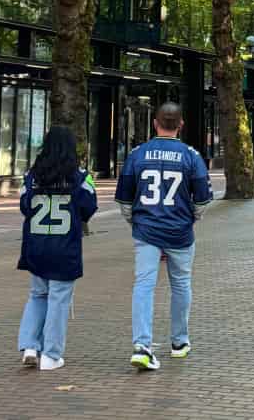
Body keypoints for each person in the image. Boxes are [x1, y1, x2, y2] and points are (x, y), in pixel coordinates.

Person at [116, 102, 213, 371]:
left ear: (155, 123)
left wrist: (136, 223)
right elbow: (203, 200)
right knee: (181, 284)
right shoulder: (191, 156)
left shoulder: (137, 154)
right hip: (180, 231)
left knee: (144, 284)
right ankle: (179, 342)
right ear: (181, 125)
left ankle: (141, 344)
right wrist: (191, 219)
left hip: (146, 230)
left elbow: (124, 199)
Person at [17, 126, 98, 371]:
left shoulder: (32, 175)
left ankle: (30, 346)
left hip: (37, 245)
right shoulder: (81, 177)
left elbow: (24, 206)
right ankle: (51, 355)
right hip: (64, 247)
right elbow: (89, 208)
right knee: (59, 299)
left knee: (37, 295)